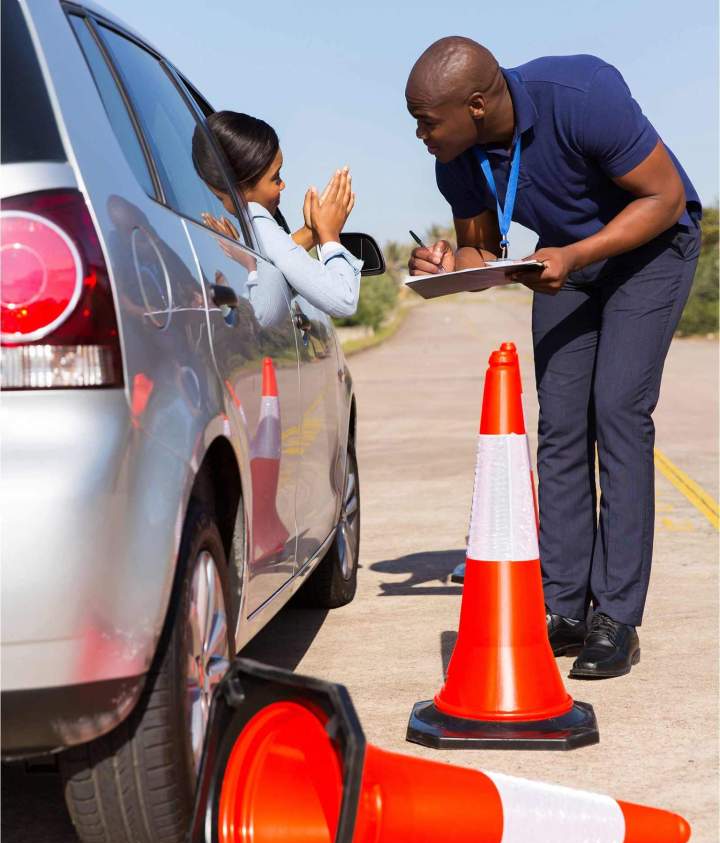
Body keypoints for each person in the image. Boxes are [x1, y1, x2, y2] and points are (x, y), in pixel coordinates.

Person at [407, 37, 701, 679]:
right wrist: (444, 265)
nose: (421, 135)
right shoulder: (456, 157)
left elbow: (666, 198)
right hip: (566, 260)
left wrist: (574, 256)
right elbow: (481, 251)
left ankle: (615, 617)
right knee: (562, 423)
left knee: (618, 409)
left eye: (427, 122)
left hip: (650, 249)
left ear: (477, 105)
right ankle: (563, 607)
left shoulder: (582, 94)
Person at [192, 110, 362, 320]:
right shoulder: (258, 222)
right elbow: (343, 300)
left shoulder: (253, 231)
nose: (283, 185)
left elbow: (278, 260)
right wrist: (330, 236)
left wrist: (311, 232)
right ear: (239, 189)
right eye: (276, 177)